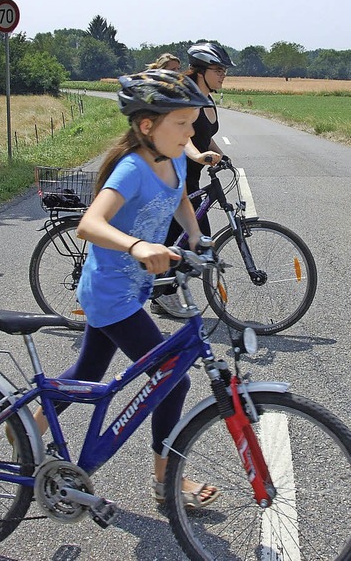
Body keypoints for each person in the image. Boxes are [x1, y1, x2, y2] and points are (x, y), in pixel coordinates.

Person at [30, 69, 219, 508]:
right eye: (182, 124)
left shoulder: (172, 158)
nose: (191, 133)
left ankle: (27, 429)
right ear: (147, 125)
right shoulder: (132, 168)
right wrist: (137, 245)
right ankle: (166, 481)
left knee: (88, 373)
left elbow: (181, 199)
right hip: (110, 293)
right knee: (174, 380)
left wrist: (195, 236)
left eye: (193, 123)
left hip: (128, 292)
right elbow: (88, 225)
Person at [151, 42, 235, 318]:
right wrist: (199, 156)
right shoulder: (185, 97)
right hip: (174, 175)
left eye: (224, 70)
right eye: (218, 69)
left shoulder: (207, 98)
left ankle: (162, 292)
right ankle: (163, 293)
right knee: (193, 239)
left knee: (187, 240)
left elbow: (204, 134)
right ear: (201, 71)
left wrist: (223, 156)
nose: (223, 74)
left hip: (192, 180)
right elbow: (183, 137)